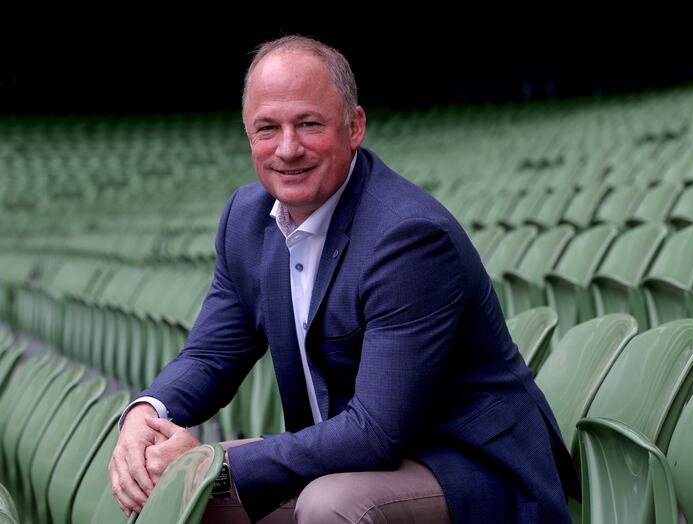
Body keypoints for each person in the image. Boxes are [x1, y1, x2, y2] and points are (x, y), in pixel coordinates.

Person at [109, 35, 579, 524]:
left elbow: (376, 432)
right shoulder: (245, 220)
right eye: (267, 128)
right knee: (165, 487)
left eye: (309, 124)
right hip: (351, 459)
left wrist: (218, 464)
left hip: (468, 468)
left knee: (328, 506)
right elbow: (211, 354)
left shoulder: (408, 239)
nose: (287, 149)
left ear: (355, 127)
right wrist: (148, 413)